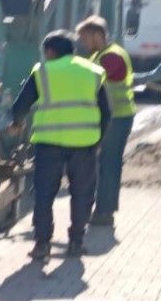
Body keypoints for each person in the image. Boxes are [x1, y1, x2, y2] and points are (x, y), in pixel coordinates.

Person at [10, 30, 110, 260]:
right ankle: (76, 242)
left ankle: (42, 244)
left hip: (49, 143)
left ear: (50, 52)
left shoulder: (43, 71)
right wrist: (98, 140)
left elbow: (21, 106)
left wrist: (16, 123)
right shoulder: (93, 72)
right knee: (82, 194)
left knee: (44, 194)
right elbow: (106, 112)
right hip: (84, 144)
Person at [75, 15, 134, 228]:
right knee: (105, 164)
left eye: (85, 38)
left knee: (108, 164)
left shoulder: (110, 58)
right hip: (115, 115)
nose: (82, 43)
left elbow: (89, 83)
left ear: (98, 35)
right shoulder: (103, 55)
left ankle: (105, 211)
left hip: (116, 117)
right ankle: (103, 209)